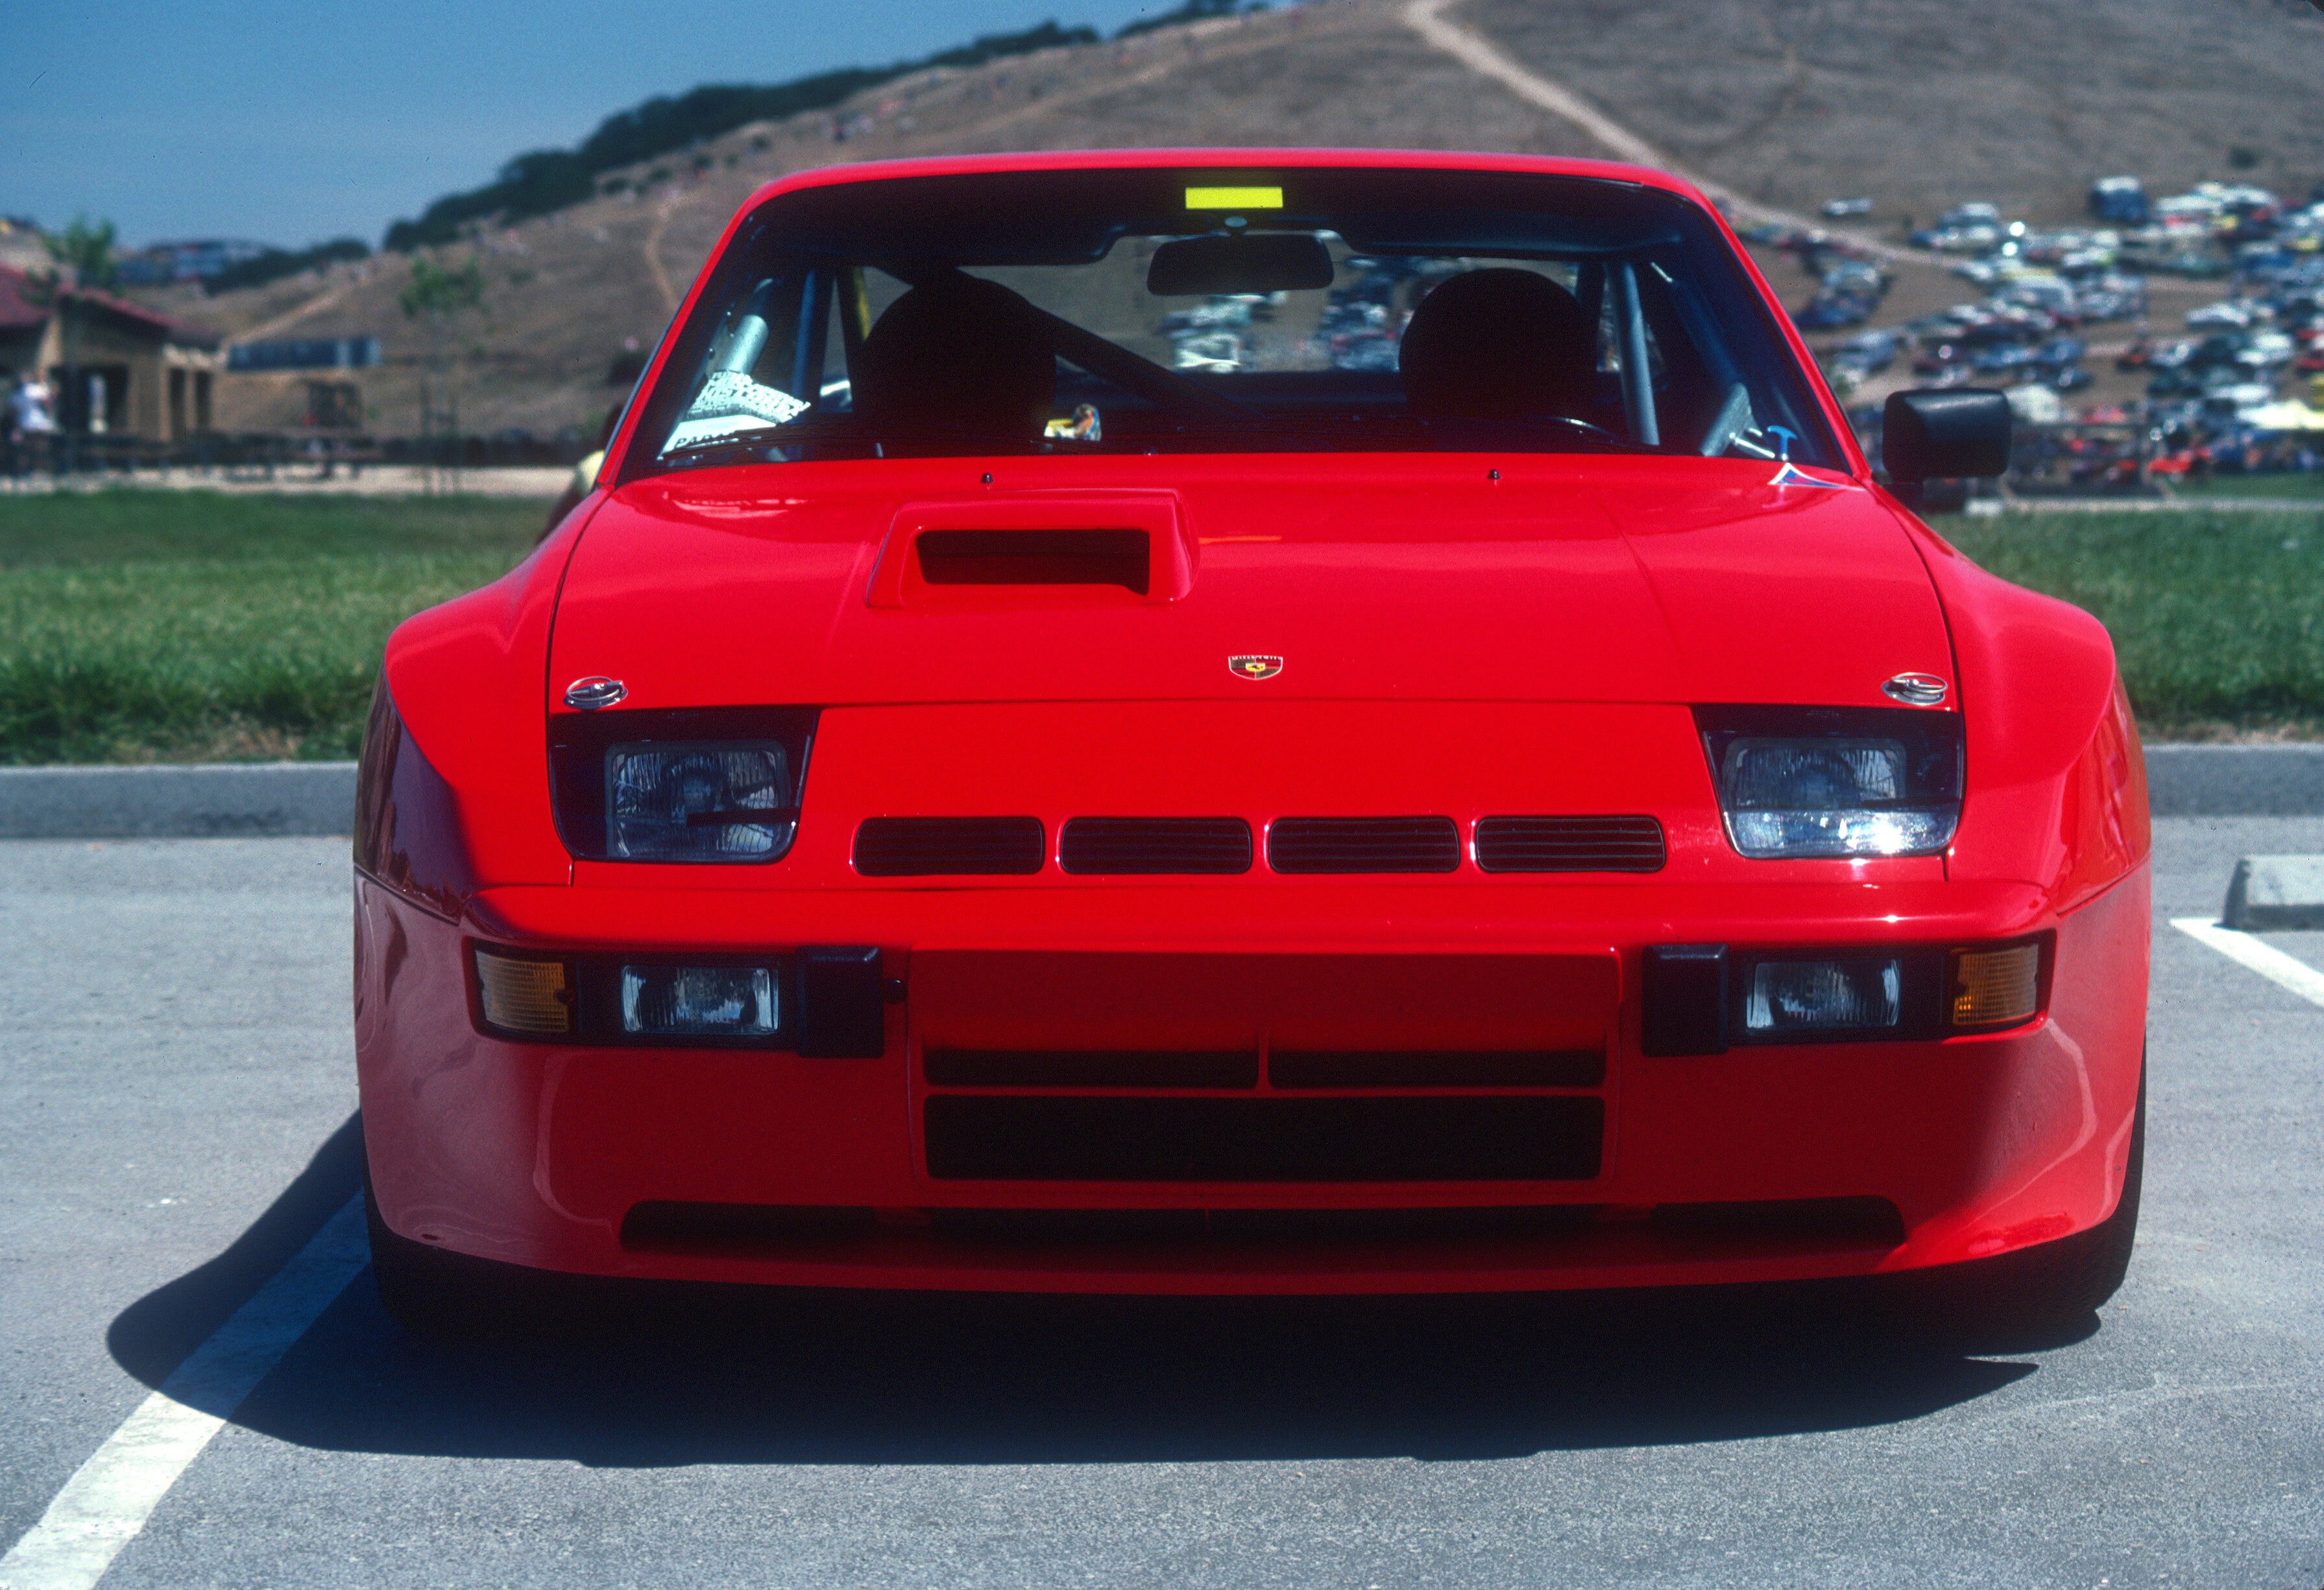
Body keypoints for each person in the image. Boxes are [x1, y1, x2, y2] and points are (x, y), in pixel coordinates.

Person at [6, 371, 56, 478]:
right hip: (37, 423)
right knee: (38, 448)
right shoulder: (36, 390)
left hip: (27, 423)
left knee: (31, 448)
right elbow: (48, 404)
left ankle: (32, 470)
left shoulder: (19, 393)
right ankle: (37, 469)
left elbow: (13, 411)